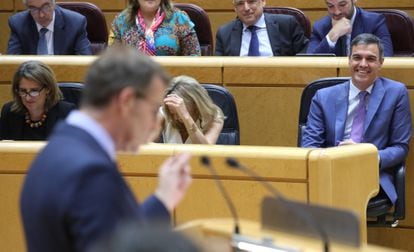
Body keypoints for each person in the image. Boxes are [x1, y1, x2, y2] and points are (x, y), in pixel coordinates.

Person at [20, 47, 192, 252]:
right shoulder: (91, 173)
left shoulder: (58, 148)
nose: (156, 125)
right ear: (127, 101)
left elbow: (114, 236)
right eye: (153, 110)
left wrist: (164, 198)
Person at [302, 33, 411, 205]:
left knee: (338, 200)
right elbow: (309, 145)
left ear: (381, 62)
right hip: (330, 170)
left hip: (371, 174)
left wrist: (365, 156)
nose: (363, 64)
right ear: (349, 60)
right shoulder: (323, 96)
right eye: (357, 58)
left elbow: (400, 147)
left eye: (371, 59)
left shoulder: (396, 93)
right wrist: (335, 158)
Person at [0, 61, 75, 140]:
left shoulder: (66, 113)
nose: (28, 98)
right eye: (23, 91)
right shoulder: (9, 112)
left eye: (34, 91)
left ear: (48, 89)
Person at [215, 0, 308, 56]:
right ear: (235, 8)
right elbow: (217, 70)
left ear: (263, 1)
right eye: (240, 3)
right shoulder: (224, 33)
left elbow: (305, 56)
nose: (246, 8)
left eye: (251, 1)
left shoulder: (287, 25)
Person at [111, 0, 201, 56]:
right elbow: (112, 61)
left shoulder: (180, 19)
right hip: (131, 83)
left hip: (171, 82)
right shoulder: (120, 21)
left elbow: (194, 58)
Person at [306, 0, 393, 56]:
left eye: (342, 5)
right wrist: (332, 35)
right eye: (330, 6)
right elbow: (310, 62)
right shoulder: (319, 27)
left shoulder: (375, 22)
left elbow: (386, 57)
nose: (337, 12)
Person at [7, 0, 92, 55]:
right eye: (34, 9)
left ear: (54, 4)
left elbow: (85, 62)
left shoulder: (75, 23)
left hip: (64, 79)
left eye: (46, 7)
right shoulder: (18, 24)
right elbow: (12, 63)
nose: (41, 15)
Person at [160, 75, 224, 144]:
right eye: (173, 113)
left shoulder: (214, 116)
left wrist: (186, 116)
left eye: (179, 113)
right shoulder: (164, 113)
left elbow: (205, 151)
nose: (176, 118)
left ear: (195, 104)